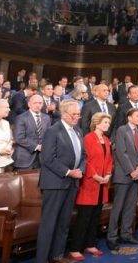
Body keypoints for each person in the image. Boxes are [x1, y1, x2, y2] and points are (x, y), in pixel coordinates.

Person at [36, 99, 86, 263]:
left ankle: (57, 256)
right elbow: (47, 158)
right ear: (64, 114)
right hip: (55, 183)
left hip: (72, 183)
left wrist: (80, 170)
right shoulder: (53, 131)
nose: (77, 117)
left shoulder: (77, 130)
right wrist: (68, 172)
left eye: (78, 114)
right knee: (49, 223)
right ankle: (42, 259)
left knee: (64, 223)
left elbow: (83, 155)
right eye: (74, 114)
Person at [69, 112, 113, 260]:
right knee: (84, 218)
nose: (107, 125)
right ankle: (75, 248)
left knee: (95, 217)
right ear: (96, 123)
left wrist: (107, 174)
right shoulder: (88, 138)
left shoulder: (106, 140)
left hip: (102, 184)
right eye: (105, 122)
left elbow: (109, 160)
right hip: (89, 183)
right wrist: (95, 176)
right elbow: (85, 160)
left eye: (108, 122)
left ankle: (90, 244)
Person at [107, 108, 138, 250]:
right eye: (137, 115)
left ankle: (126, 234)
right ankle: (112, 237)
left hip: (136, 176)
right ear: (129, 117)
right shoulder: (121, 130)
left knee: (130, 208)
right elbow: (121, 153)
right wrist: (132, 171)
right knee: (117, 208)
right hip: (123, 175)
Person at [13, 94, 51, 170]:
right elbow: (19, 138)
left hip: (42, 159)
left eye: (40, 103)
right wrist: (37, 147)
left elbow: (49, 136)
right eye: (35, 103)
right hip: (25, 159)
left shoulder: (46, 118)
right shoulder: (21, 118)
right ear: (29, 104)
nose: (38, 105)